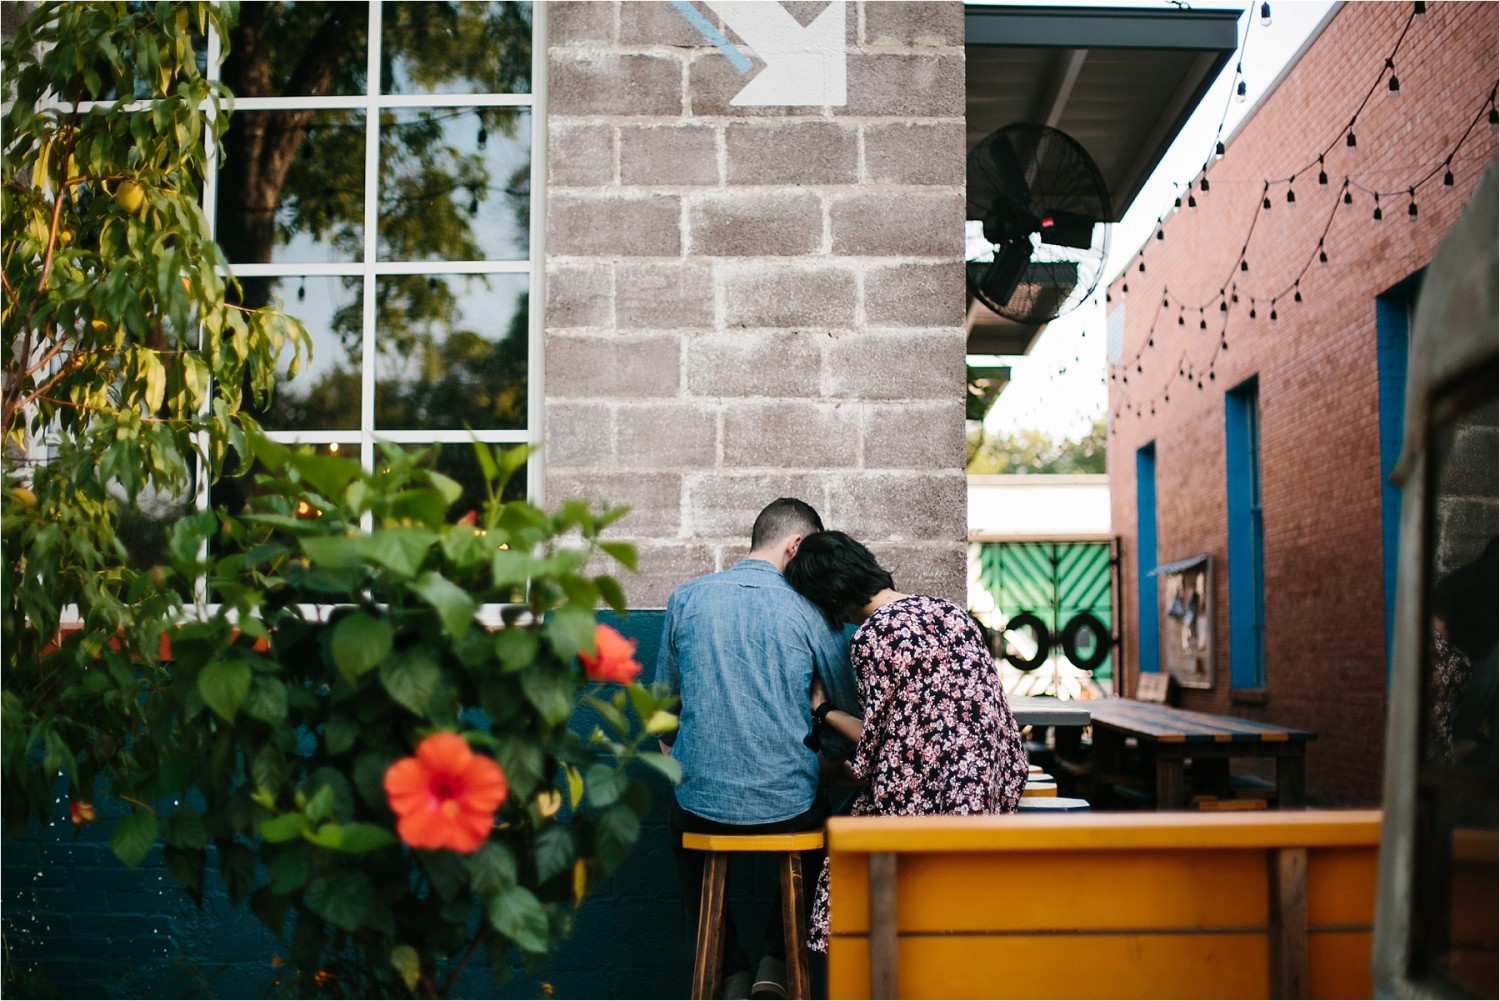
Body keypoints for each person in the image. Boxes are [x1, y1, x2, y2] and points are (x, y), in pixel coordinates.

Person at [783, 530, 1029, 953]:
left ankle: (864, 974)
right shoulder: (951, 612)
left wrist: (823, 710)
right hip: (984, 793)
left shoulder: (873, 637)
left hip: (933, 805)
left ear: (828, 598)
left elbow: (878, 742)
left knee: (841, 872)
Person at [655, 498, 860, 1000]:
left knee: (680, 822)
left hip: (700, 806)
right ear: (796, 545)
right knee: (825, 825)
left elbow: (662, 711)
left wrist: (686, 764)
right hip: (790, 808)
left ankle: (729, 971)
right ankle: (778, 960)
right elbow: (843, 712)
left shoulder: (685, 599)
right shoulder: (813, 611)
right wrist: (817, 766)